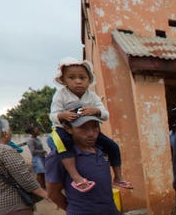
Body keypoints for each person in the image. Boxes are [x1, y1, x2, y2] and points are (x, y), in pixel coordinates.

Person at [48, 57, 132, 192]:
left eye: (82, 77)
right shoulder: (60, 95)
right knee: (63, 145)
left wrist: (97, 110)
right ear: (63, 80)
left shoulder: (92, 96)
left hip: (86, 129)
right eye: (72, 77)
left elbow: (105, 115)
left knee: (112, 146)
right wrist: (62, 115)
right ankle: (76, 177)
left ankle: (118, 177)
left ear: (89, 80)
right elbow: (52, 115)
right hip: (63, 129)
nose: (78, 81)